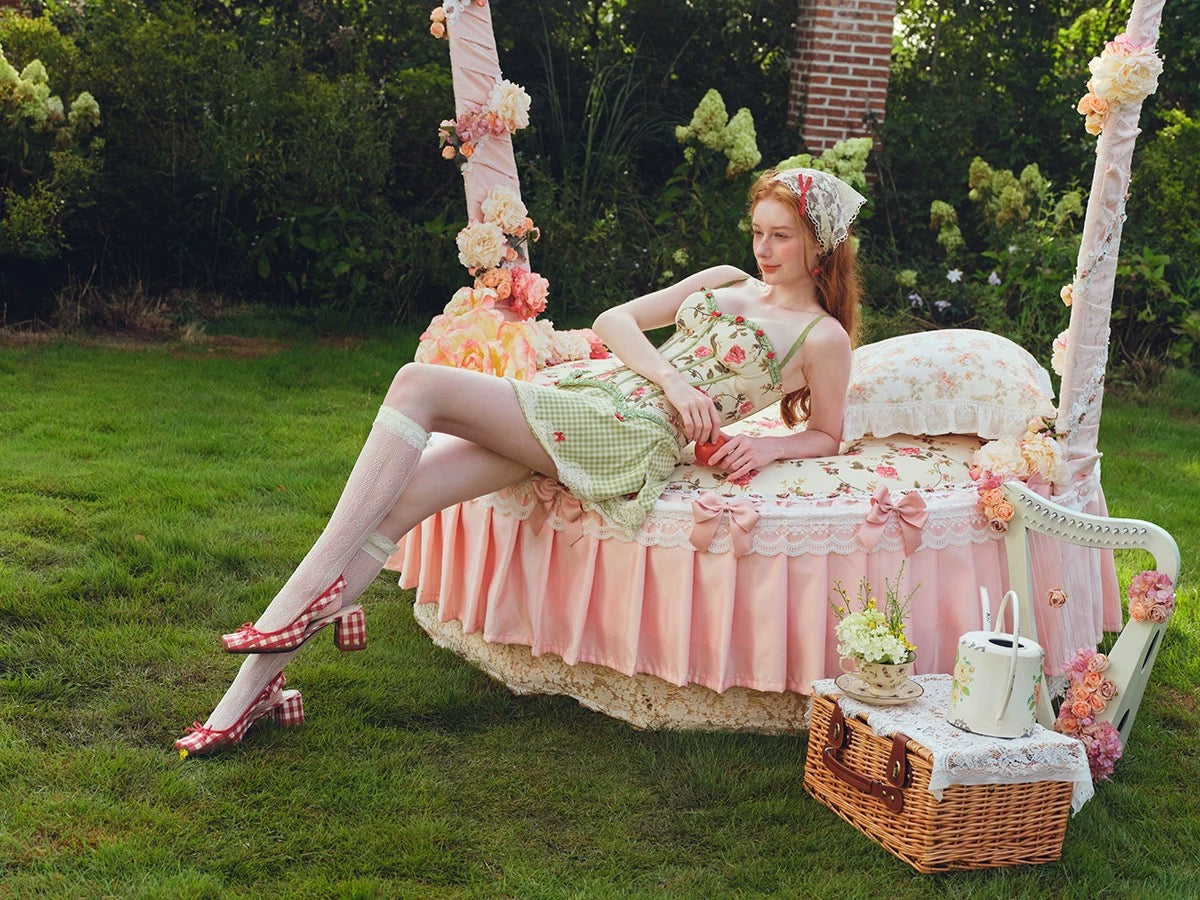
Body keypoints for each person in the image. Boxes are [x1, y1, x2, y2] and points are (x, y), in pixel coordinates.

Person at [174, 167, 867, 755]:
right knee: (402, 501)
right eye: (758, 231)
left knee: (417, 385)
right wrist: (673, 378)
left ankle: (296, 607)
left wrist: (766, 443)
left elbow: (828, 433)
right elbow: (614, 321)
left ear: (820, 243)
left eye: (782, 235)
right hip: (592, 397)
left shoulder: (822, 338)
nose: (764, 248)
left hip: (629, 435)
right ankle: (247, 699)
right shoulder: (726, 279)